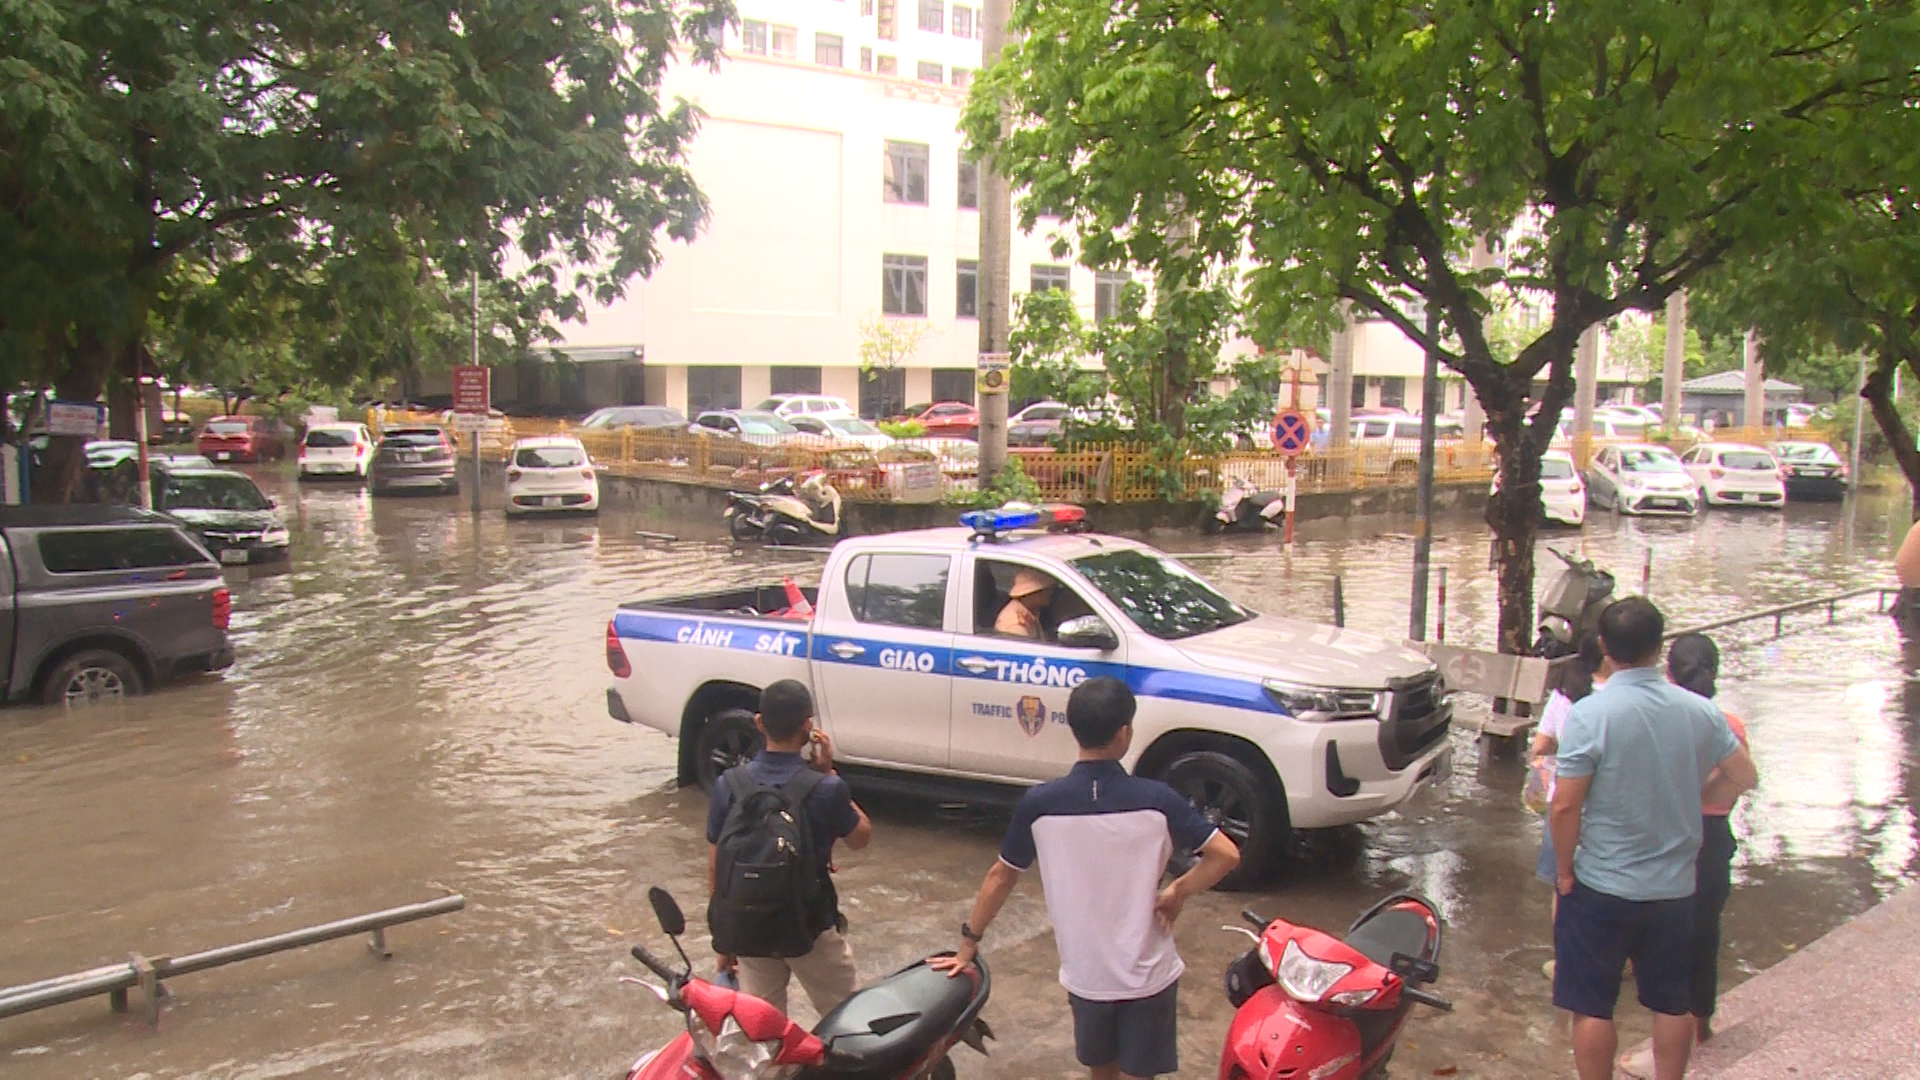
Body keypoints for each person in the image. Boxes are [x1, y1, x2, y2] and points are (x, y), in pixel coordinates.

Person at [932, 677, 1241, 1080]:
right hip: (1148, 976)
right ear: (1125, 732)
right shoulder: (1158, 801)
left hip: (1087, 976)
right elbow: (1226, 855)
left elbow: (1001, 876)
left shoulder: (1040, 805)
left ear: (1073, 728)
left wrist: (968, 944)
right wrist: (1178, 890)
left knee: (1101, 1072)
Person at [1551, 597, 1758, 1080]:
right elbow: (1745, 775)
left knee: (1592, 1006)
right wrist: (1694, 793)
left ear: (1605, 648)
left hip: (1602, 882)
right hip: (1674, 886)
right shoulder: (1700, 712)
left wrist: (1563, 871)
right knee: (1671, 1002)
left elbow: (1565, 805)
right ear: (1660, 647)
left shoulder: (1590, 714)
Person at [706, 679, 872, 1017]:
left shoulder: (729, 784)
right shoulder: (825, 788)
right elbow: (861, 838)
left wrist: (724, 938)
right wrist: (829, 774)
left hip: (749, 927)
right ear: (808, 726)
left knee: (763, 1028)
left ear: (758, 723)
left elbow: (716, 865)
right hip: (808, 926)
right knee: (846, 1020)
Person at [1529, 632, 1606, 980]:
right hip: (1609, 805)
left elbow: (1541, 746)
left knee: (1563, 883)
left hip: (1563, 799)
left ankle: (1566, 960)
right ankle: (1616, 956)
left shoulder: (1565, 692)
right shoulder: (1627, 698)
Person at [994, 567, 1056, 639]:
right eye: (1048, 590)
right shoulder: (1015, 626)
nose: (1052, 592)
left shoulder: (1032, 611)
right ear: (1034, 593)